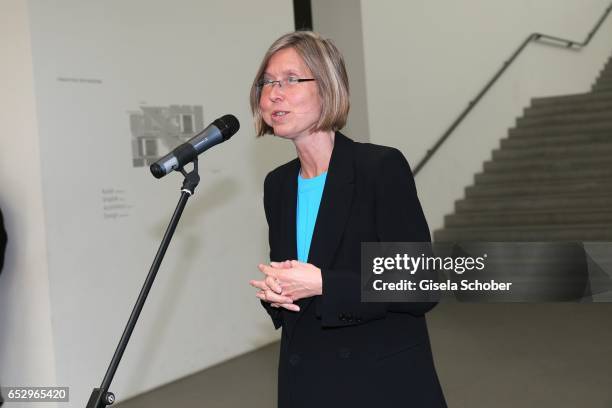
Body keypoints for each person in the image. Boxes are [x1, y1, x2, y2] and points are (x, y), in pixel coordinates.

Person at [249, 31, 446, 408]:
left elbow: (419, 285)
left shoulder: (379, 167)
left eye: (291, 79)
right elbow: (302, 287)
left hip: (378, 383)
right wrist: (279, 293)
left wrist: (324, 283)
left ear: (328, 88)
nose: (274, 92)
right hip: (305, 380)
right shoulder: (278, 185)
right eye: (268, 82)